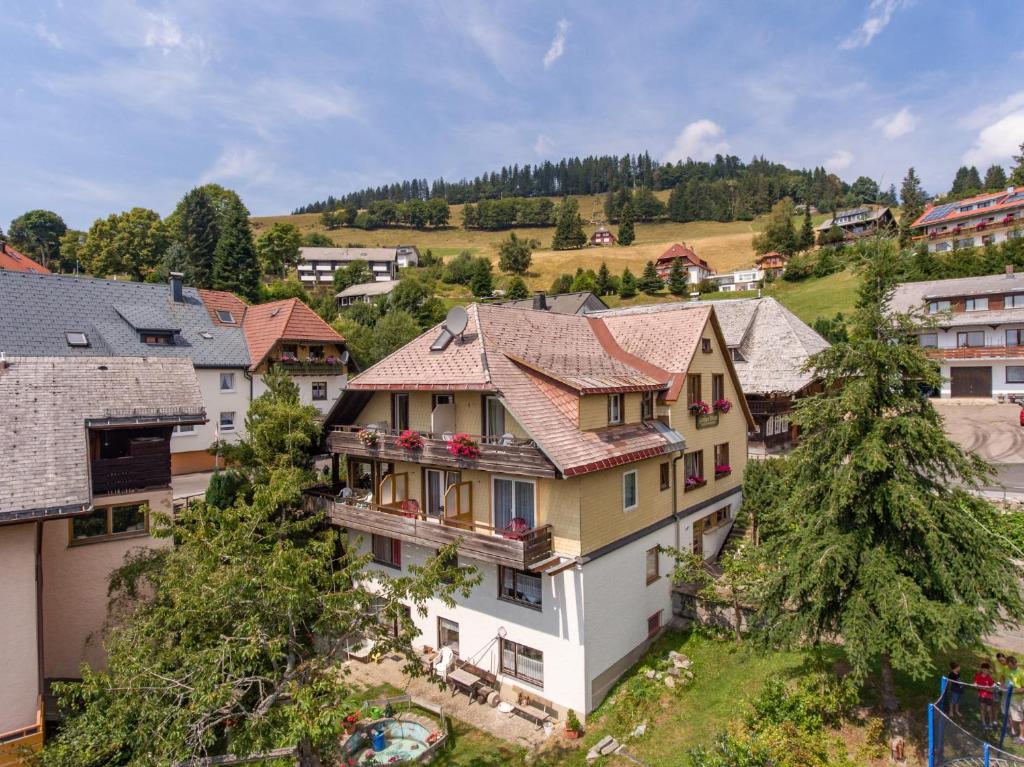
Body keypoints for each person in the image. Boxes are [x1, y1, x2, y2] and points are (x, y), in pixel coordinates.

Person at [976, 662, 997, 729]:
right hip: (981, 696)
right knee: (982, 709)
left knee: (989, 710)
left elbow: (993, 688)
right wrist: (981, 687)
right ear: (982, 669)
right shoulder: (978, 676)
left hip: (989, 697)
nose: (986, 671)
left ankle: (990, 723)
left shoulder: (989, 678)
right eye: (984, 670)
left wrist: (987, 689)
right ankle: (983, 723)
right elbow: (976, 685)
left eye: (987, 670)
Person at [1008, 656, 1024, 743]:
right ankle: (1017, 734)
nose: (1009, 667)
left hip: (1019, 700)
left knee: (1021, 719)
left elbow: (1023, 688)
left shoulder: (1021, 673)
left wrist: (1014, 691)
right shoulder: (1010, 672)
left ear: (1015, 663)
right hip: (1013, 699)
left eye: (1010, 665)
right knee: (1014, 718)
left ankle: (1021, 738)